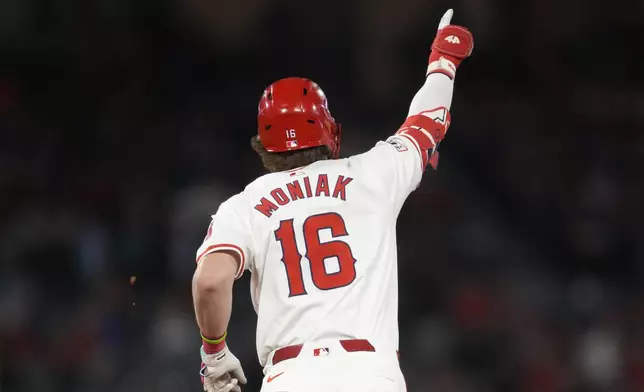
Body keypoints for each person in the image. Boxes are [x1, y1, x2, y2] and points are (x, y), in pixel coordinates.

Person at [192, 9, 473, 392]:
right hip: (372, 375)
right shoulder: (375, 171)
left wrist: (215, 353)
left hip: (291, 377)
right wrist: (444, 61)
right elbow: (428, 120)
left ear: (263, 147)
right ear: (330, 132)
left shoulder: (243, 205)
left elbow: (210, 283)